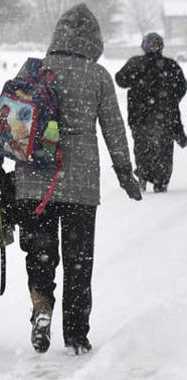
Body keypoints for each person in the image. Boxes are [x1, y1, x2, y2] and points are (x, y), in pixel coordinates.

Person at [15, 3, 142, 355]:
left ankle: (41, 310)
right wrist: (125, 173)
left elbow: (12, 123)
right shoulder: (97, 75)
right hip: (80, 186)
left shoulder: (37, 71)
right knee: (78, 262)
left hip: (32, 183)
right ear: (94, 39)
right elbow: (114, 129)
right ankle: (76, 334)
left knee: (40, 254)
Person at [116, 33, 187, 193]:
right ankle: (161, 181)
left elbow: (120, 80)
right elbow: (182, 87)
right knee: (164, 149)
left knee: (142, 147)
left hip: (139, 115)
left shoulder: (135, 63)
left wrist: (136, 80)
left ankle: (143, 173)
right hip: (165, 115)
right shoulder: (170, 65)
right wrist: (171, 99)